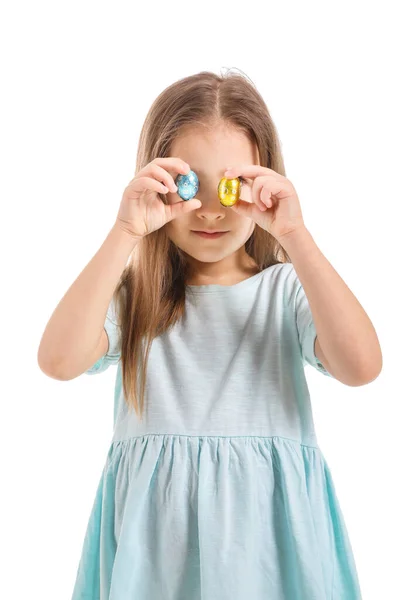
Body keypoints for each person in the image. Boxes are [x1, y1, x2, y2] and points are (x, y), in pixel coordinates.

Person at [38, 69, 382, 599]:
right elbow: (57, 360)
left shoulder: (285, 292)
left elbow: (362, 367)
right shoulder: (137, 299)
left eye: (232, 184)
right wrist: (125, 232)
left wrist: (295, 235)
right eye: (188, 183)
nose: (213, 210)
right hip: (157, 557)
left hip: (269, 551)